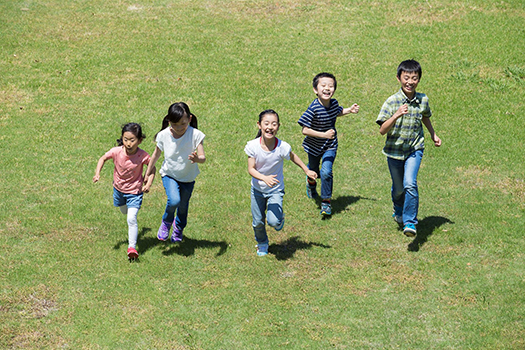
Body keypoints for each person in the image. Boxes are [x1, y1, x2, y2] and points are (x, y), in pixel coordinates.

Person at [376, 59, 442, 237]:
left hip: (415, 148)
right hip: (394, 152)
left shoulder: (423, 99)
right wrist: (396, 114)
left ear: (419, 79)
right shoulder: (392, 101)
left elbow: (425, 116)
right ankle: (398, 209)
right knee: (399, 189)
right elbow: (382, 130)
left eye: (414, 78)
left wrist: (433, 134)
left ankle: (410, 222)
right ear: (398, 78)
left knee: (410, 184)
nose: (410, 82)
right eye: (406, 78)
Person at [245, 109, 317, 256]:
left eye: (274, 124)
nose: (270, 127)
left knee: (273, 222)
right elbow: (251, 169)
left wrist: (306, 170)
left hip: (275, 190)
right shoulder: (253, 146)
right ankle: (262, 243)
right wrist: (264, 178)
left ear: (278, 126)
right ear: (259, 125)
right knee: (258, 222)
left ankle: (279, 220)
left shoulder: (282, 147)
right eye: (266, 123)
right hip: (257, 190)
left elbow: (293, 156)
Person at [298, 72, 359, 216]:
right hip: (313, 147)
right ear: (315, 90)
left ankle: (326, 202)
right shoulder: (313, 108)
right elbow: (305, 130)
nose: (327, 89)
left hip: (330, 146)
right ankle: (311, 184)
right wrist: (323, 134)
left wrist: (349, 110)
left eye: (330, 86)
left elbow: (336, 112)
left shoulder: (334, 104)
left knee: (326, 172)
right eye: (323, 85)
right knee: (313, 171)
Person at [144, 102, 206, 243]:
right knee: (174, 201)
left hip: (188, 178)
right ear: (169, 121)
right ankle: (166, 222)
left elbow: (203, 158)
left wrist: (197, 159)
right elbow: (155, 155)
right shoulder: (163, 135)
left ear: (189, 119)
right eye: (174, 124)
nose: (179, 128)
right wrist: (147, 173)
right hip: (169, 174)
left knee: (183, 207)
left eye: (183, 124)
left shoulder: (195, 134)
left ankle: (178, 229)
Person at [93, 123, 155, 260]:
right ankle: (130, 217)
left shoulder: (142, 155)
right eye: (125, 139)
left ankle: (131, 247)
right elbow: (102, 158)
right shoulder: (116, 151)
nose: (128, 143)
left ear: (140, 140)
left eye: (132, 140)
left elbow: (152, 169)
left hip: (135, 192)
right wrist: (97, 173)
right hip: (119, 190)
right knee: (124, 211)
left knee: (131, 218)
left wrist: (148, 183)